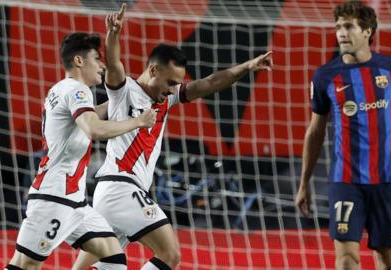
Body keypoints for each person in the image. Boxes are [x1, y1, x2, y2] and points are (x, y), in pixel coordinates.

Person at [74, 4, 273, 270]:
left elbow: (211, 83)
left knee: (107, 265)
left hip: (117, 193)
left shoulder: (167, 100)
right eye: (169, 83)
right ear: (153, 70)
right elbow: (113, 64)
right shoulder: (124, 91)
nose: (171, 90)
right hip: (120, 189)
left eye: (176, 84)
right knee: (171, 255)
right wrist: (113, 35)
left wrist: (248, 66)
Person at [294, 1, 391, 270]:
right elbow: (315, 132)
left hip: (385, 180)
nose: (340, 33)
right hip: (345, 182)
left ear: (367, 31)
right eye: (338, 27)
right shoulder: (325, 76)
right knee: (347, 260)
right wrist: (304, 182)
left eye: (348, 26)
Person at [6, 30, 157, 270]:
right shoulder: (77, 89)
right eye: (96, 58)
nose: (101, 66)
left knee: (113, 258)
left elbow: (87, 117)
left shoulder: (62, 89)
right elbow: (93, 129)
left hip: (75, 202)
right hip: (54, 197)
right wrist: (138, 122)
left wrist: (120, 100)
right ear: (79, 61)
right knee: (25, 265)